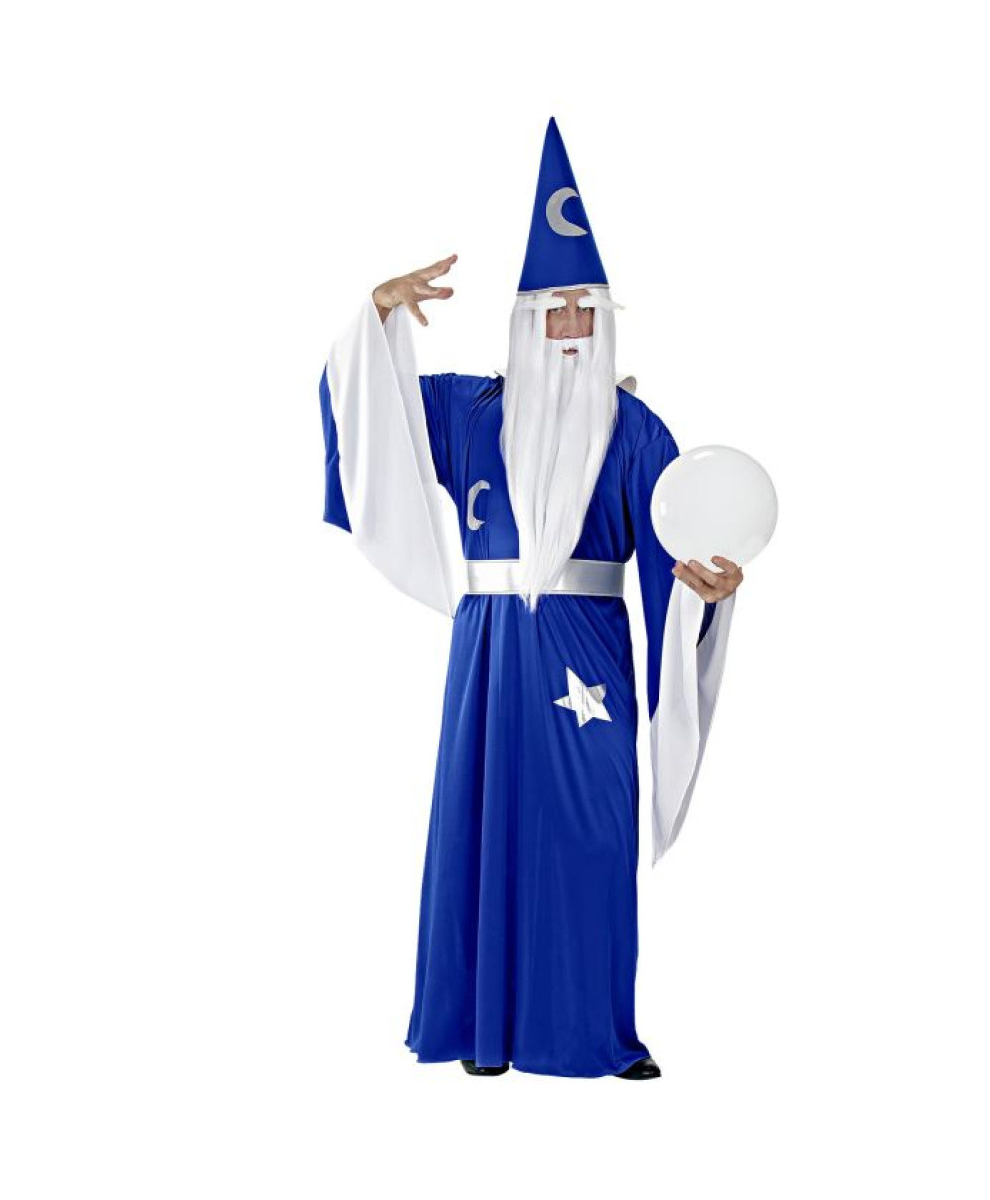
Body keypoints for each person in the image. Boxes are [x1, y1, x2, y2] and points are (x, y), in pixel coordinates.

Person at [317, 117, 745, 1079]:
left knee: (593, 831)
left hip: (589, 644)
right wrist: (376, 316)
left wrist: (710, 592)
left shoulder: (638, 430)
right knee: (485, 825)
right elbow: (367, 411)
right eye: (553, 310)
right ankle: (483, 1029)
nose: (571, 328)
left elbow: (681, 555)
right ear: (522, 320)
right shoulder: (468, 410)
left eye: (586, 310)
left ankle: (594, 1031)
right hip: (491, 649)